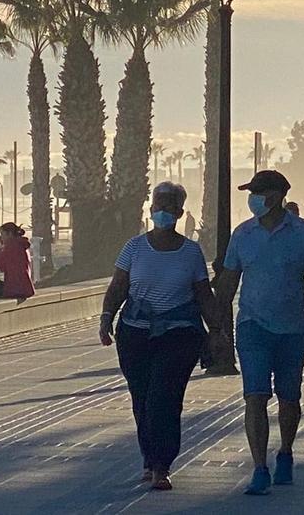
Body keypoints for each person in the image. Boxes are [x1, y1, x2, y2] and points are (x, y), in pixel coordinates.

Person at [214, 170, 304, 496]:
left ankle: (284, 452)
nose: (253, 199)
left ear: (277, 195)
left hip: (293, 329)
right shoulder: (242, 235)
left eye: (258, 192)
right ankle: (259, 468)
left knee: (289, 397)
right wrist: (215, 328)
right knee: (254, 396)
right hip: (252, 327)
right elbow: (227, 282)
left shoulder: (303, 232)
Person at [98, 182, 220, 491]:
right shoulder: (134, 247)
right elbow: (117, 287)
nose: (162, 211)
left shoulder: (191, 252)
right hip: (135, 334)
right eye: (157, 205)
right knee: (142, 399)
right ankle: (149, 459)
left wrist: (217, 332)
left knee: (164, 399)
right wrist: (106, 319)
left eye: (169, 206)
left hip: (179, 336)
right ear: (150, 209)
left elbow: (203, 294)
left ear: (179, 212)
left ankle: (162, 465)